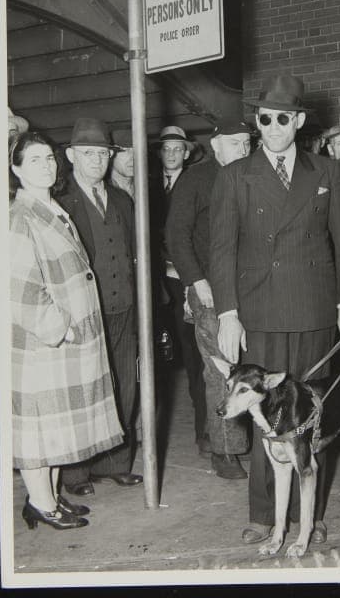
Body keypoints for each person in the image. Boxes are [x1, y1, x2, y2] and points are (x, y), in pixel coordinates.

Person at [210, 74, 340, 545]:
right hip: (261, 310)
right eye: (264, 118)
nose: (272, 126)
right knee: (265, 414)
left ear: (297, 121)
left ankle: (307, 512)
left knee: (308, 416)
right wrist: (228, 314)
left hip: (316, 308)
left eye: (281, 118)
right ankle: (263, 513)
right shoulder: (236, 175)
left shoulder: (327, 172)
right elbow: (222, 250)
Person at [10, 132, 123, 529]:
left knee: (55, 425)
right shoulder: (19, 217)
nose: (47, 165)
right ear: (16, 169)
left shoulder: (51, 208)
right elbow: (22, 293)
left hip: (64, 342)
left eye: (49, 158)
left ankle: (49, 496)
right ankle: (41, 503)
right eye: (35, 160)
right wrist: (61, 330)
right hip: (44, 345)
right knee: (39, 430)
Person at [58, 118, 143, 496]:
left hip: (124, 307)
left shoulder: (123, 200)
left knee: (125, 385)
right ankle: (76, 473)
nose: (97, 161)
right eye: (88, 153)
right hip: (83, 314)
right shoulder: (61, 203)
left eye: (103, 154)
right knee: (83, 389)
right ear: (72, 155)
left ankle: (115, 463)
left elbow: (135, 254)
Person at [165, 118, 252, 480]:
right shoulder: (197, 180)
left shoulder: (253, 175)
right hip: (210, 288)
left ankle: (213, 434)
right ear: (215, 145)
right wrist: (196, 282)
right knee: (221, 366)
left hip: (250, 287)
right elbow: (176, 235)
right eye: (235, 143)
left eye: (248, 143)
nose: (243, 149)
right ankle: (225, 450)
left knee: (246, 365)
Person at [153, 125, 208, 456]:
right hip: (156, 282)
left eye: (178, 148)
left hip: (185, 280)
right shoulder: (147, 186)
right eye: (166, 149)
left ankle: (204, 430)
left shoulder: (196, 182)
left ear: (187, 152)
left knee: (193, 355)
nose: (172, 154)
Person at [109, 129, 135, 199]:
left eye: (136, 150)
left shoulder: (147, 188)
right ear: (110, 154)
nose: (133, 157)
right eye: (125, 150)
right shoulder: (102, 190)